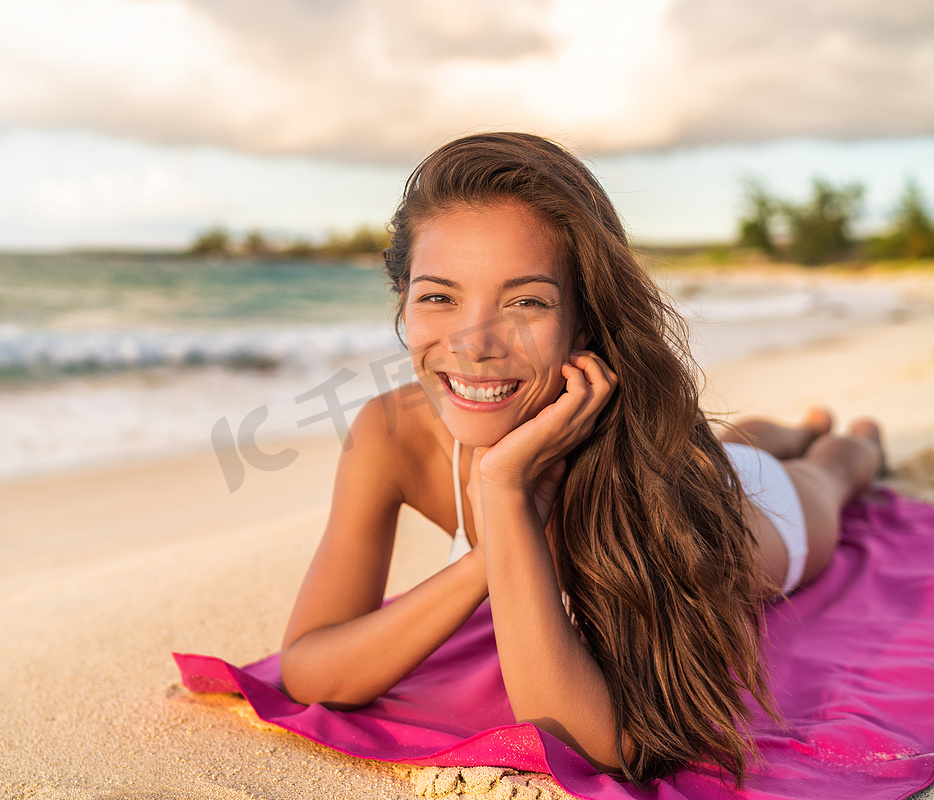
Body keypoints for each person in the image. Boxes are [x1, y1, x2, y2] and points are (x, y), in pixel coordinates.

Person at [277, 132, 884, 786]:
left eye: (526, 302)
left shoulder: (639, 467)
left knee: (826, 474)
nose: (475, 344)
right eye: (438, 297)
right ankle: (792, 428)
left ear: (584, 320)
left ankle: (853, 439)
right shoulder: (388, 433)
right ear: (403, 300)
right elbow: (310, 669)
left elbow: (598, 744)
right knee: (743, 445)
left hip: (755, 517)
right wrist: (496, 542)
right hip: (710, 460)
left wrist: (506, 491)